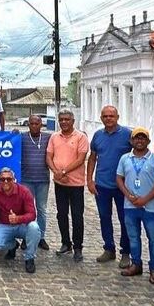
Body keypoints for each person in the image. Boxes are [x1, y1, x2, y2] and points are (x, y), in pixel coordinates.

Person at [115, 127, 154, 282]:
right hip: (129, 205)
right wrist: (128, 195)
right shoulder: (125, 158)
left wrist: (145, 199)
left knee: (153, 238)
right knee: (133, 237)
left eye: (143, 138)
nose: (139, 141)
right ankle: (136, 264)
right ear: (131, 141)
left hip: (150, 207)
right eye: (136, 138)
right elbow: (119, 178)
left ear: (148, 141)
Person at [86, 106, 133, 265]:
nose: (108, 118)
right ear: (101, 118)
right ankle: (109, 248)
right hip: (102, 184)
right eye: (105, 116)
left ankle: (126, 252)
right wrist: (90, 180)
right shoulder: (98, 135)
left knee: (125, 219)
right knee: (104, 217)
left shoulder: (127, 134)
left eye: (111, 116)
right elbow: (92, 158)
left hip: (123, 186)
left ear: (117, 116)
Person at [46, 109, 88, 261]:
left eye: (66, 119)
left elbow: (80, 159)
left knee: (77, 216)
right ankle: (66, 243)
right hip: (59, 184)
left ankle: (78, 247)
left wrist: (62, 172)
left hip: (76, 184)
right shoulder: (54, 137)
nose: (64, 122)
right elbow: (49, 156)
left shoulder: (81, 137)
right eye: (61, 119)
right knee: (61, 214)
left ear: (73, 121)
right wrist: (56, 172)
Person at [20, 114, 51, 252]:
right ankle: (27, 237)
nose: (34, 126)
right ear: (28, 125)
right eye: (31, 123)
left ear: (41, 125)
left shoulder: (48, 138)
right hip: (26, 180)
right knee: (27, 210)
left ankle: (41, 237)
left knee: (42, 210)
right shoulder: (21, 138)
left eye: (37, 123)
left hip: (43, 180)